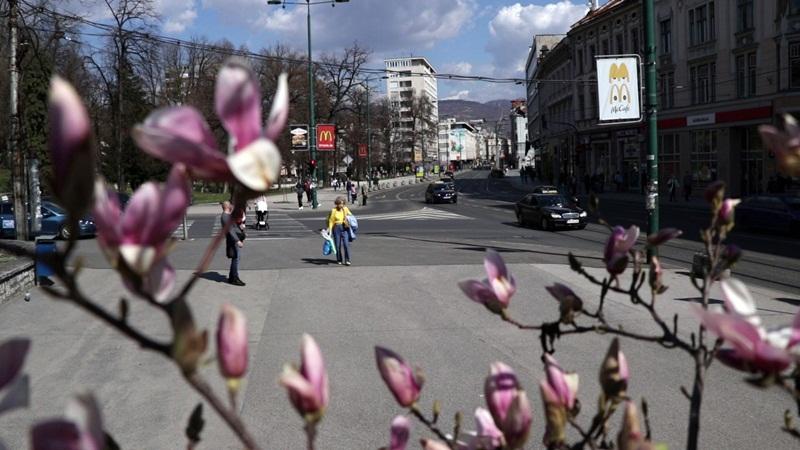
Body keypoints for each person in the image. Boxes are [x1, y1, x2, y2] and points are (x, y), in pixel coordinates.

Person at [221, 201, 245, 286]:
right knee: (235, 258)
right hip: (232, 240)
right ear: (227, 206)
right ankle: (234, 278)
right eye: (230, 205)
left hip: (233, 239)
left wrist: (240, 228)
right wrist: (237, 241)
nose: (232, 206)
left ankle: (232, 277)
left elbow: (234, 227)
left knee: (236, 258)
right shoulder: (225, 216)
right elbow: (230, 230)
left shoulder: (228, 215)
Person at [327, 196, 353, 265]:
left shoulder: (345, 209)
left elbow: (351, 216)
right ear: (337, 204)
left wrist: (348, 219)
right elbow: (331, 221)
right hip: (336, 228)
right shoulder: (333, 210)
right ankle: (339, 259)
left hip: (345, 227)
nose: (341, 205)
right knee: (337, 245)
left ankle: (347, 260)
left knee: (346, 245)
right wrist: (329, 229)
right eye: (339, 204)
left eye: (342, 204)